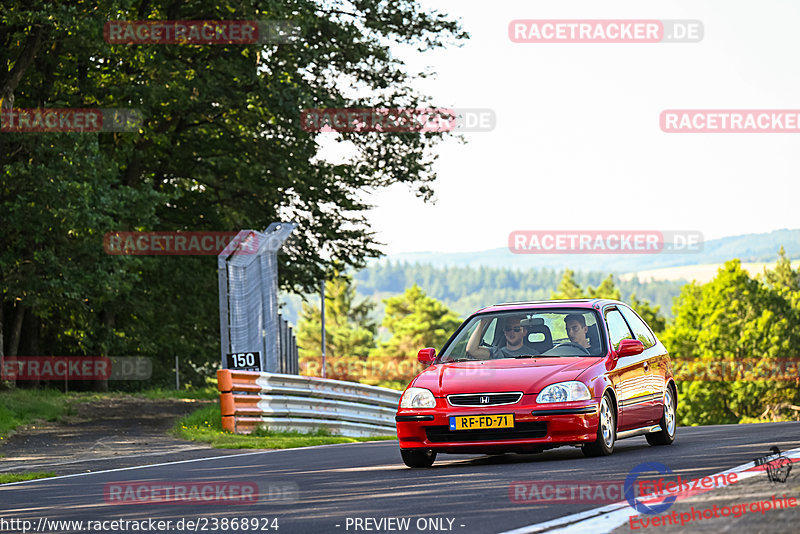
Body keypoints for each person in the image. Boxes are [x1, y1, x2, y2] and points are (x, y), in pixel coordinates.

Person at [466, 315, 532, 359]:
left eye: (516, 329)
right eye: (508, 329)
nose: (512, 332)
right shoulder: (496, 352)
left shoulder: (533, 355)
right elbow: (472, 350)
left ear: (524, 332)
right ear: (504, 332)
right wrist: (483, 322)